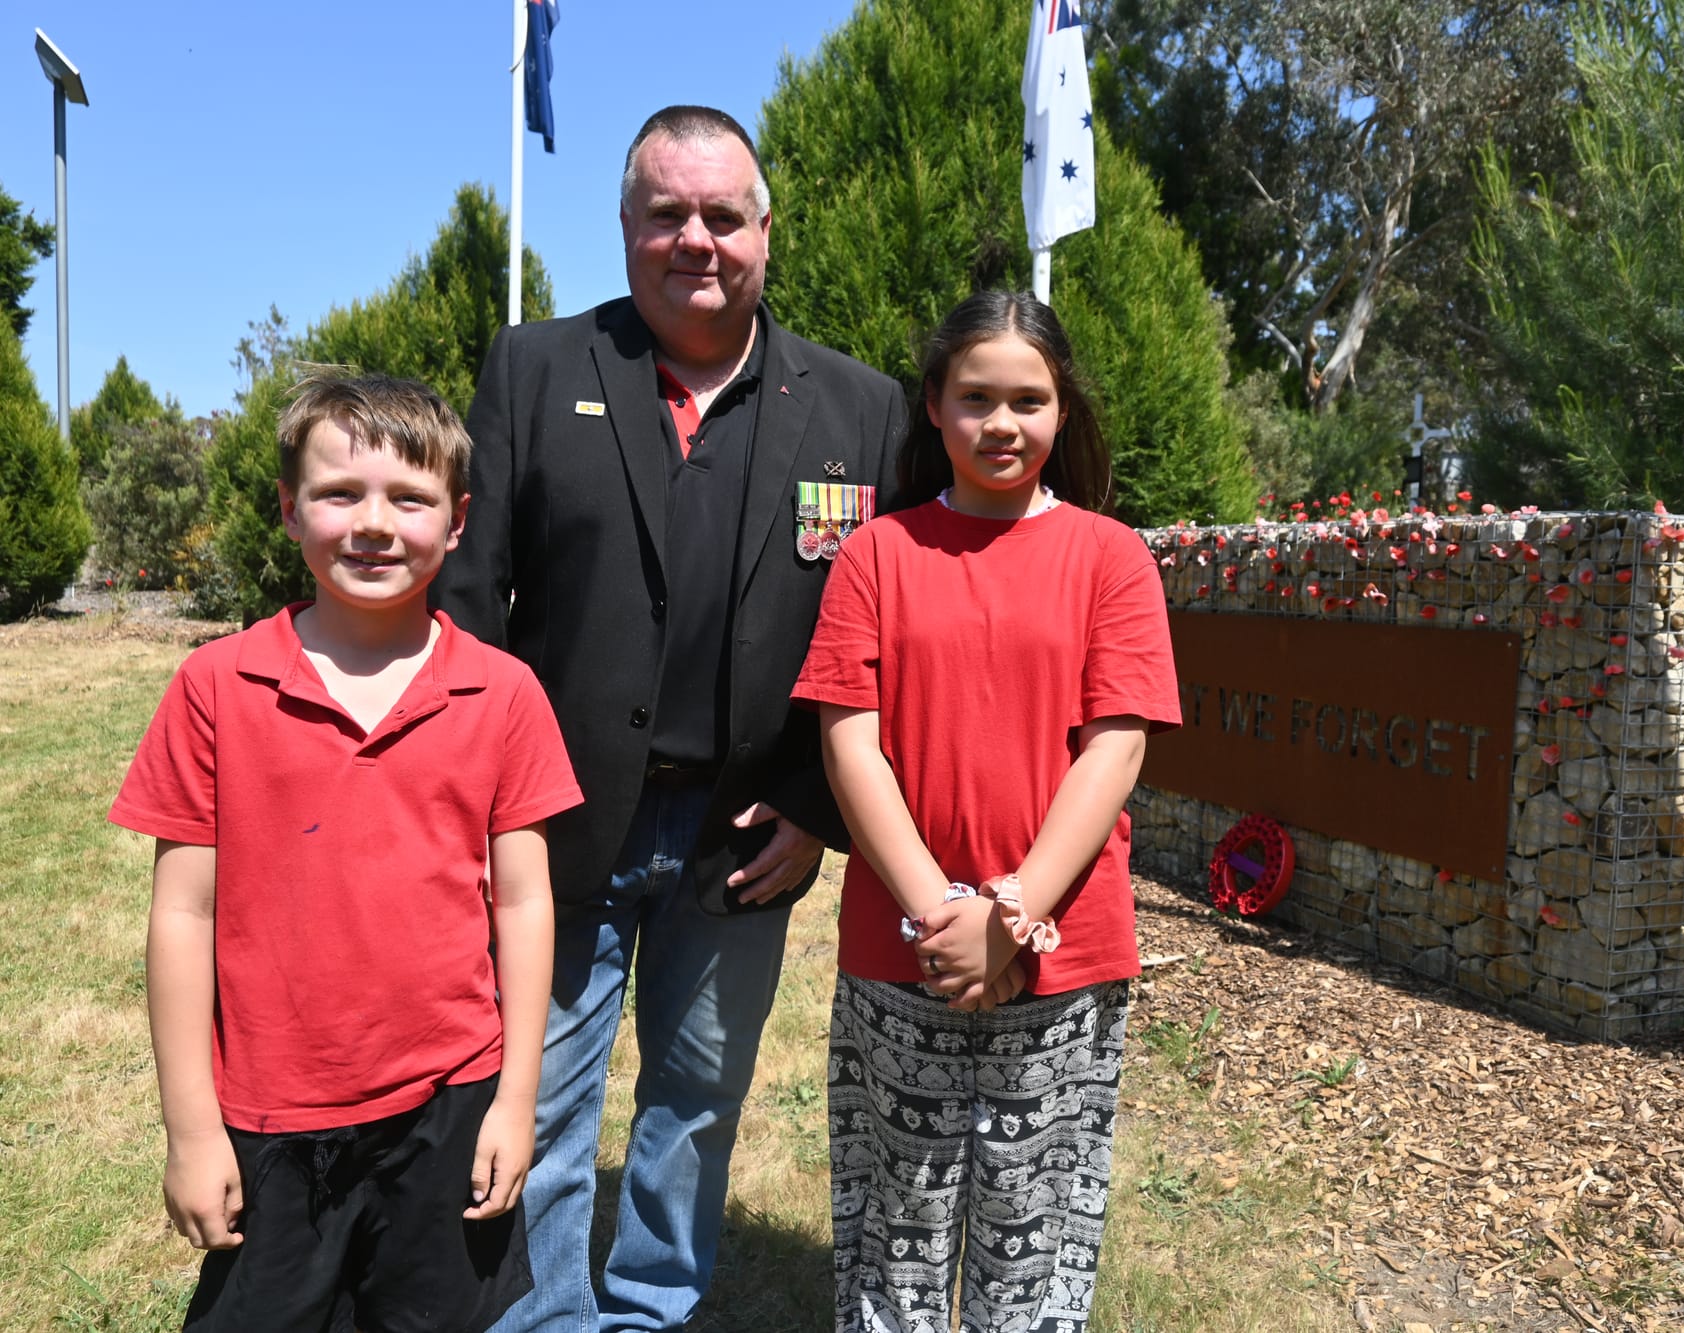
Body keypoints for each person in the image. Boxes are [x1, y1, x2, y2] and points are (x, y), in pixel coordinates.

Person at [434, 105, 905, 1331]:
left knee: (697, 1091)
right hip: (556, 819)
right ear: (627, 227)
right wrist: (474, 803)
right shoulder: (535, 370)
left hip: (745, 830)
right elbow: (471, 601)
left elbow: (889, 638)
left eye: (721, 215)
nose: (694, 239)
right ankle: (540, 1318)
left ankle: (651, 1305)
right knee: (537, 1097)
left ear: (765, 230)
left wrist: (816, 806)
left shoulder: (863, 409)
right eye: (665, 215)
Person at [109, 373, 581, 1332]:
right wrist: (193, 1129)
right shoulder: (215, 686)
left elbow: (525, 903)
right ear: (290, 511)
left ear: (456, 522)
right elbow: (182, 912)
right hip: (272, 1118)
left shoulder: (505, 693)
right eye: (339, 494)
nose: (374, 524)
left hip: (449, 1103)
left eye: (410, 498)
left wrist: (517, 1101)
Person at [792, 291, 1182, 1332]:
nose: (1000, 423)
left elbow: (1117, 744)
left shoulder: (1110, 558)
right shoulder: (875, 554)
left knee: (1033, 1225)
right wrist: (940, 915)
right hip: (900, 949)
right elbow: (849, 743)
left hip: (1063, 949)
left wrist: (1008, 912)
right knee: (899, 1221)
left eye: (1027, 399)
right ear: (933, 404)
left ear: (1061, 411)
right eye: (974, 398)